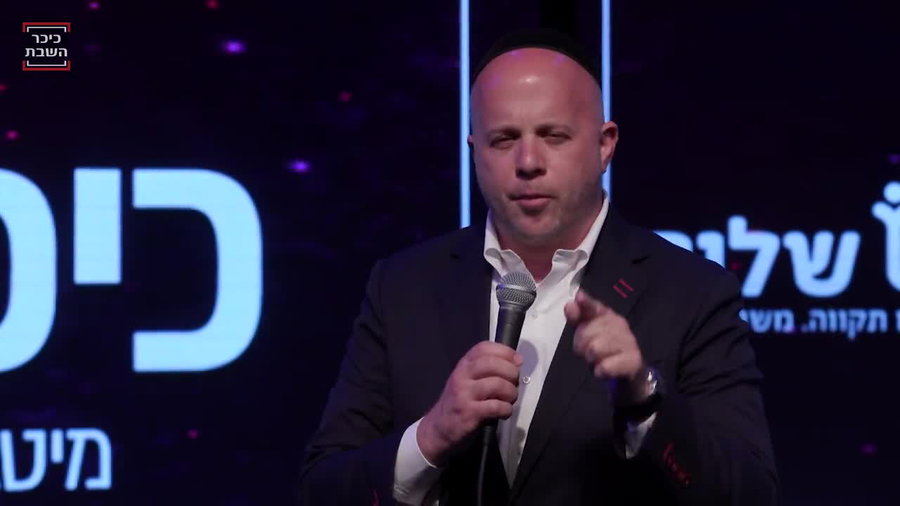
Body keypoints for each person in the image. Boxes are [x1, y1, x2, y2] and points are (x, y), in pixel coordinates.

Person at [299, 29, 778, 505]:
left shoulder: (692, 292)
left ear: (605, 145)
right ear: (474, 152)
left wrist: (644, 398)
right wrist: (430, 437)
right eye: (504, 139)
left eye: (553, 136)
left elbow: (751, 494)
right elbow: (321, 490)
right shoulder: (403, 287)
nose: (528, 162)